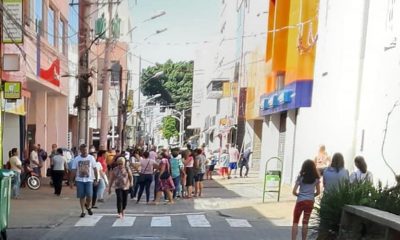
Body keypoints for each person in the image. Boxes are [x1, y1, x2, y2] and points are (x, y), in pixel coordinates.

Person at [292, 159, 321, 240]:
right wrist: (311, 195)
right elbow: (318, 192)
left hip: (300, 201)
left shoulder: (300, 177)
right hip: (310, 202)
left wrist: (299, 195)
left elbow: (294, 192)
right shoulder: (316, 179)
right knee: (305, 222)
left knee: (295, 222)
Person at [70, 144, 99, 218]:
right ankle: (83, 211)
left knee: (89, 195)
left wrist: (96, 179)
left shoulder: (91, 158)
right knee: (82, 196)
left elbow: (95, 169)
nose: (85, 151)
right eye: (83, 150)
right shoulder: (77, 159)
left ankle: (88, 206)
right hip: (79, 180)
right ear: (80, 150)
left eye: (86, 150)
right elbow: (73, 170)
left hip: (89, 180)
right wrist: (71, 181)